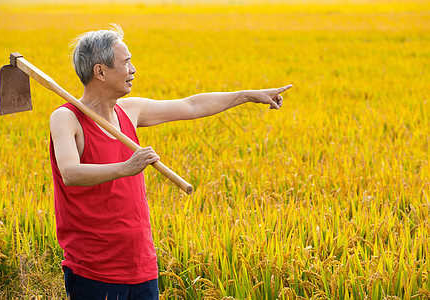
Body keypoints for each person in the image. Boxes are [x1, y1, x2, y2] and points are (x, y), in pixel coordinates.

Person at [49, 24, 292, 300]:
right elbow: (70, 173)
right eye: (126, 62)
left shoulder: (129, 110)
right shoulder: (66, 118)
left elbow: (191, 106)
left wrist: (248, 96)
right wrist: (127, 167)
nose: (133, 69)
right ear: (100, 72)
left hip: (141, 265)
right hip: (94, 271)